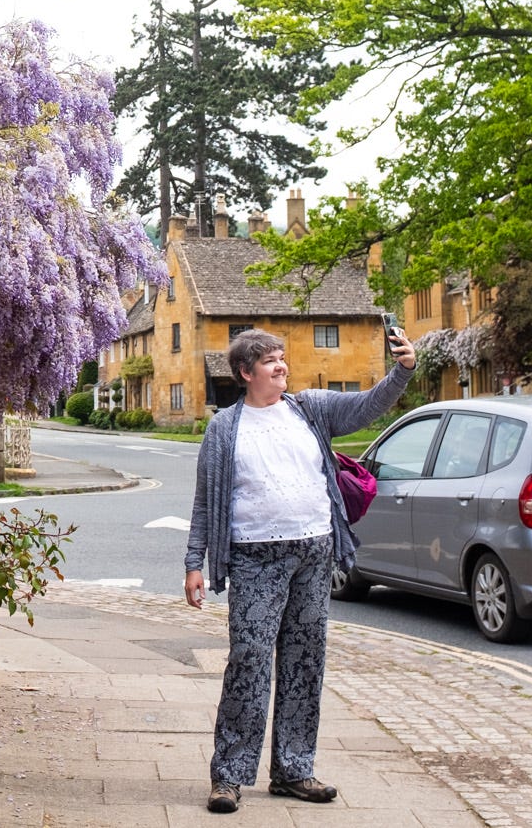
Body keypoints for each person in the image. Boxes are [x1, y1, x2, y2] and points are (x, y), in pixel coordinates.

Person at [184, 324, 417, 814]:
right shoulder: (224, 428)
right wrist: (194, 563)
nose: (281, 366)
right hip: (254, 557)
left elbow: (366, 406)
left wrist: (402, 370)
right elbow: (205, 501)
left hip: (314, 552)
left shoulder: (309, 408)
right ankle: (229, 775)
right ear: (246, 373)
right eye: (270, 361)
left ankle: (293, 770)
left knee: (305, 661)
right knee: (249, 659)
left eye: (282, 357)